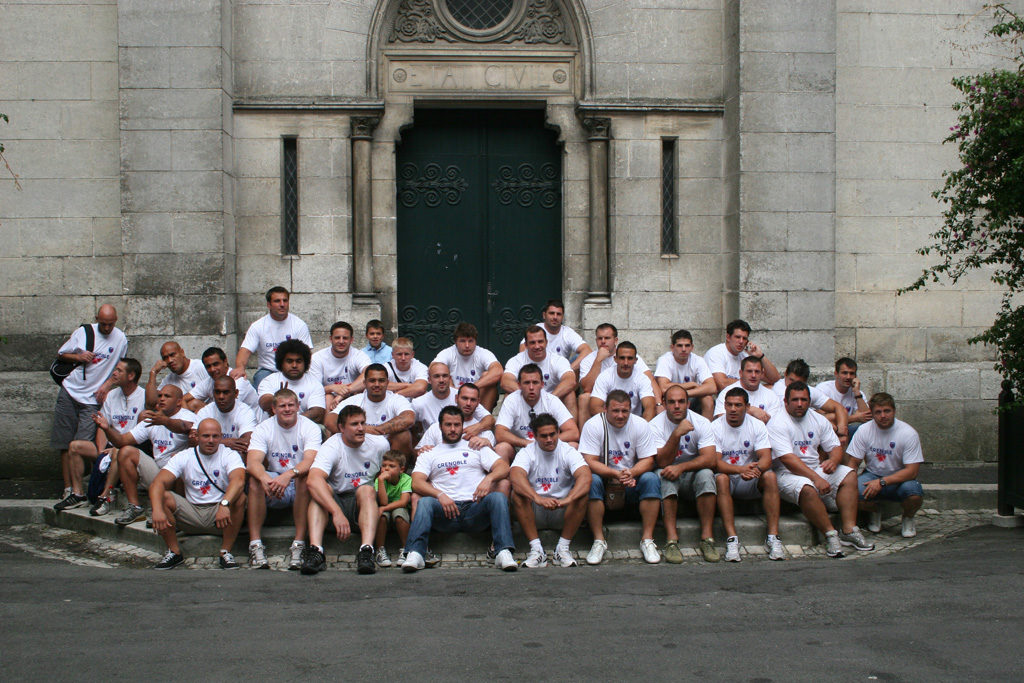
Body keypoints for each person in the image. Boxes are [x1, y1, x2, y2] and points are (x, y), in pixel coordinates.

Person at [401, 407, 517, 573]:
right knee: (425, 502)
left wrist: (488, 479)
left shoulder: (475, 446)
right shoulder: (430, 453)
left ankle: (502, 551)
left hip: (474, 509)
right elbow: (417, 482)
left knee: (498, 497)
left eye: (457, 425)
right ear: (440, 426)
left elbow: (503, 467)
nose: (453, 429)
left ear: (463, 426)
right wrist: (439, 495)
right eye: (448, 425)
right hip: (445, 512)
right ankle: (416, 553)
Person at [767, 382, 874, 558]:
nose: (800, 404)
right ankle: (830, 535)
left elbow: (835, 446)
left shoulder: (818, 419)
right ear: (786, 402)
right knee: (807, 489)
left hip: (815, 468)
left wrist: (834, 459)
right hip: (786, 474)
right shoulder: (777, 422)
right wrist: (816, 478)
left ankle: (849, 530)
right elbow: (788, 459)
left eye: (804, 400)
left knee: (849, 474)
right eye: (795, 400)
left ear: (810, 401)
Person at [51, 304, 127, 503]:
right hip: (70, 391)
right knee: (64, 443)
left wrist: (108, 384)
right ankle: (68, 488)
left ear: (116, 320)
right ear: (97, 319)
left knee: (83, 444)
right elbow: (61, 354)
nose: (107, 328)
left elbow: (120, 367)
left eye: (110, 324)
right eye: (103, 324)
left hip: (93, 399)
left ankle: (88, 484)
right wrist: (78, 356)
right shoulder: (84, 332)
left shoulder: (120, 339)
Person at [148, 418, 247, 570]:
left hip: (220, 515)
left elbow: (239, 480)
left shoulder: (229, 454)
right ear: (197, 437)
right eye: (206, 436)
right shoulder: (185, 455)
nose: (211, 441)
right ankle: (174, 552)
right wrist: (157, 510)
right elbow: (158, 483)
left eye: (215, 436)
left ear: (221, 437)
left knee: (240, 498)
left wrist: (225, 503)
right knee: (163, 496)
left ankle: (225, 551)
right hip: (192, 512)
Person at [302, 405, 389, 575]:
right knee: (320, 490)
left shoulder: (380, 445)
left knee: (367, 490)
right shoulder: (332, 446)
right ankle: (316, 550)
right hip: (336, 503)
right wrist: (336, 513)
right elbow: (312, 480)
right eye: (354, 424)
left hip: (362, 505)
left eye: (363, 423)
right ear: (341, 427)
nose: (361, 428)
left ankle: (366, 550)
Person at [578, 390, 661, 565]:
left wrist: (632, 473)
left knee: (651, 479)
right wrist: (615, 474)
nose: (620, 416)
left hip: (631, 481)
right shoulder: (594, 425)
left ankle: (647, 539)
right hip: (605, 482)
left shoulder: (640, 424)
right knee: (590, 480)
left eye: (625, 411)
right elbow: (588, 461)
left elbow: (648, 459)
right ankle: (599, 540)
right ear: (605, 409)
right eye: (615, 411)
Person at [95, 385, 196, 527]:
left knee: (180, 460)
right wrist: (107, 429)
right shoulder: (152, 419)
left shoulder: (189, 416)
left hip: (179, 476)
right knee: (125, 451)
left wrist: (165, 421)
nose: (161, 399)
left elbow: (187, 427)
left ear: (179, 401)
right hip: (158, 471)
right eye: (160, 395)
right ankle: (135, 508)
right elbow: (121, 441)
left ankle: (175, 513)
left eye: (167, 396)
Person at [246, 388, 321, 570]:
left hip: (295, 480)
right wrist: (264, 477)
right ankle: (255, 544)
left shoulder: (309, 427)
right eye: (282, 406)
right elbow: (252, 462)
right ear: (274, 408)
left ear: (298, 406)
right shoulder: (263, 428)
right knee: (255, 480)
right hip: (273, 480)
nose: (287, 409)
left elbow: (311, 460)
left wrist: (288, 475)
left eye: (290, 405)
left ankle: (299, 544)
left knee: (305, 477)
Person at [58, 358, 144, 514]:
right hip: (108, 446)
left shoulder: (143, 396)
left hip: (127, 447)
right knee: (75, 446)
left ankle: (105, 497)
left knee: (119, 452)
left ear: (131, 376)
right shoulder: (111, 395)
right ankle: (78, 494)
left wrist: (114, 450)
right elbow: (103, 426)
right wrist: (100, 451)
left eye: (119, 370)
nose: (114, 373)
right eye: (115, 369)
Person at [712, 387, 785, 562]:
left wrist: (756, 470)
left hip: (750, 478)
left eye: (738, 405)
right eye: (729, 405)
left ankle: (773, 537)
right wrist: (740, 470)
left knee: (770, 476)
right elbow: (715, 463)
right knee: (721, 478)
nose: (733, 409)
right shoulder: (715, 426)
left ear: (747, 406)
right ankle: (732, 540)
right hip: (728, 478)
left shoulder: (757, 425)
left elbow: (766, 458)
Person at [510, 413, 591, 568]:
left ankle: (562, 549)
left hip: (563, 509)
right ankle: (537, 550)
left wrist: (568, 499)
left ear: (558, 433)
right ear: (535, 436)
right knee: (517, 495)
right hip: (535, 510)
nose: (549, 440)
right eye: (544, 436)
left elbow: (585, 477)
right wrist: (537, 498)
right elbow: (515, 476)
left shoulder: (567, 450)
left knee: (582, 494)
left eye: (552, 434)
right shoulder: (527, 451)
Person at [650, 385, 719, 563]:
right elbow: (662, 461)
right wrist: (676, 435)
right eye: (672, 402)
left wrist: (681, 467)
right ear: (664, 404)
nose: (677, 406)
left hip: (690, 474)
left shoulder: (701, 422)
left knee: (706, 474)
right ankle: (672, 541)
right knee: (664, 474)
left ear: (688, 403)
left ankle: (707, 539)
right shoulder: (655, 425)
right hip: (668, 473)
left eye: (681, 401)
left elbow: (711, 459)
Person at [845, 392, 924, 538]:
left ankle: (907, 517)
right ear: (872, 414)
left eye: (887, 411)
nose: (883, 416)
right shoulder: (864, 430)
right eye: (878, 412)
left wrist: (882, 482)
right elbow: (854, 462)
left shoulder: (908, 433)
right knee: (850, 492)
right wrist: (847, 483)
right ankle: (874, 511)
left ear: (894, 411)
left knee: (914, 493)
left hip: (900, 478)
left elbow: (912, 471)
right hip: (872, 474)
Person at [494, 364, 579, 464]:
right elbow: (499, 433)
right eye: (526, 383)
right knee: (501, 448)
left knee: (573, 446)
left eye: (535, 382)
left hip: (548, 445)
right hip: (520, 446)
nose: (531, 387)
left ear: (542, 384)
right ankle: (506, 479)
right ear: (519, 385)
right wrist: (526, 443)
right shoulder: (512, 400)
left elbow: (574, 432)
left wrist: (543, 441)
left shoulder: (551, 400)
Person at [233, 286, 312, 388]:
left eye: (285, 301)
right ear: (269, 304)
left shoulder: (299, 325)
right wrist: (240, 368)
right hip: (268, 371)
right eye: (277, 301)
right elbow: (245, 351)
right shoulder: (258, 326)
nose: (282, 304)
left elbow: (307, 354)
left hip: (293, 370)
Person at [576, 323, 656, 424]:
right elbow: (587, 389)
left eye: (607, 338)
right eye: (600, 338)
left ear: (615, 340)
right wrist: (598, 360)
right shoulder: (590, 362)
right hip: (605, 413)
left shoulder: (629, 355)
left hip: (633, 419)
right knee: (584, 397)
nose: (603, 341)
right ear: (616, 359)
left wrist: (658, 404)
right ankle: (586, 438)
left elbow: (650, 381)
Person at [327, 364, 415, 455]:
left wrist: (375, 430)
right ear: (365, 383)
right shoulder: (355, 400)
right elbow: (330, 421)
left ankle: (395, 468)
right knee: (337, 434)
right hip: (358, 444)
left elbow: (409, 418)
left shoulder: (396, 399)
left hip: (388, 448)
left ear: (387, 382)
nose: (377, 384)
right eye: (372, 381)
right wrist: (363, 430)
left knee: (404, 436)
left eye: (381, 381)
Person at [502, 325, 577, 419]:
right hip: (526, 398)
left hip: (553, 398)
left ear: (546, 342)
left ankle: (570, 431)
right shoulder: (516, 360)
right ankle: (506, 429)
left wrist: (547, 400)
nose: (537, 346)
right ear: (526, 345)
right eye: (532, 343)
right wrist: (529, 395)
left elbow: (570, 381)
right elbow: (505, 382)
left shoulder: (557, 360)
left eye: (540, 341)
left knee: (570, 395)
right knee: (508, 395)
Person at [771, 358, 849, 444]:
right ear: (785, 374)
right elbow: (794, 416)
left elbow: (838, 407)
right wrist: (830, 425)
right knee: (828, 423)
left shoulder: (808, 390)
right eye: (791, 380)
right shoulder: (780, 391)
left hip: (806, 428)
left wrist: (841, 432)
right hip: (785, 428)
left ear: (805, 382)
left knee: (835, 418)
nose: (795, 386)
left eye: (799, 383)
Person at [432, 322, 503, 411]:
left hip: (476, 397)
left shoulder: (483, 353)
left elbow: (498, 371)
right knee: (441, 373)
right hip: (453, 396)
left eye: (470, 341)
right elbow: (433, 368)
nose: (467, 345)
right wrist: (450, 384)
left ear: (475, 341)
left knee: (488, 377)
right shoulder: (448, 353)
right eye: (462, 341)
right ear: (456, 342)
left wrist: (470, 388)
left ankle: (484, 419)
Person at [257, 339, 326, 424]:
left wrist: (291, 421)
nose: (294, 365)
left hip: (302, 428)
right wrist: (278, 397)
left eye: (298, 361)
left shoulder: (314, 384)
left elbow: (318, 413)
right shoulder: (269, 381)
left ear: (305, 363)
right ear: (281, 363)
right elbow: (264, 403)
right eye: (289, 361)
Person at [704, 319, 780, 392]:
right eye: (737, 337)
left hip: (744, 395)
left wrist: (761, 356)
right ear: (728, 337)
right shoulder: (716, 353)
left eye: (744, 338)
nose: (741, 341)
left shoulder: (745, 356)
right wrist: (751, 384)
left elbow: (775, 380)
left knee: (774, 388)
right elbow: (722, 384)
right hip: (723, 397)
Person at [654, 329, 716, 418]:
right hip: (670, 398)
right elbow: (663, 388)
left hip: (691, 397)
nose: (684, 349)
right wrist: (691, 384)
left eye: (687, 346)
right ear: (672, 347)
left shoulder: (698, 360)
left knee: (708, 399)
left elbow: (712, 387)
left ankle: (706, 430)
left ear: (692, 347)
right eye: (680, 346)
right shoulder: (665, 360)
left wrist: (686, 393)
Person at [309, 321, 371, 411]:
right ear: (331, 339)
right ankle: (329, 423)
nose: (341, 341)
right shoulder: (317, 358)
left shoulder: (358, 355)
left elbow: (369, 374)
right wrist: (332, 388)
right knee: (328, 397)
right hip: (330, 398)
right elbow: (313, 390)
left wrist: (344, 392)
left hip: (353, 394)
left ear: (351, 340)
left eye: (345, 338)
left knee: (362, 391)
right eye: (337, 338)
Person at [416, 383, 496, 452]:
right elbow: (418, 453)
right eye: (464, 398)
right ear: (456, 398)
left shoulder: (485, 432)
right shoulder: (436, 427)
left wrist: (489, 446)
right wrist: (422, 451)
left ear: (478, 402)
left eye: (473, 400)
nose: (468, 403)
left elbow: (492, 461)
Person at [517, 299, 592, 372]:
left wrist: (568, 371)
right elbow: (523, 348)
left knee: (581, 358)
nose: (555, 317)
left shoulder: (567, 333)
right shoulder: (537, 329)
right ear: (544, 315)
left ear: (562, 317)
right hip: (538, 369)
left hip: (560, 371)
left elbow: (587, 350)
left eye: (558, 314)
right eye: (551, 313)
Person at [184, 347, 261, 415]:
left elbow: (225, 408)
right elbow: (183, 399)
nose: (212, 369)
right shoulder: (209, 381)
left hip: (250, 424)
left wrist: (200, 413)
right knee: (192, 404)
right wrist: (189, 418)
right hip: (226, 422)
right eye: (208, 366)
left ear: (225, 362)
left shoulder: (238, 381)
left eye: (216, 364)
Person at [589, 341, 655, 420]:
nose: (626, 363)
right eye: (622, 358)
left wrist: (642, 427)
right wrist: (616, 421)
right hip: (610, 421)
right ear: (615, 359)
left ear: (636, 360)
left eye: (630, 358)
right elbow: (594, 407)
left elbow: (650, 407)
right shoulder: (605, 376)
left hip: (634, 423)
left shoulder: (642, 378)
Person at [194, 376, 257, 457]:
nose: (221, 397)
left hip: (235, 459)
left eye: (226, 392)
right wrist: (226, 442)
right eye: (217, 392)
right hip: (210, 457)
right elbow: (193, 440)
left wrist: (208, 442)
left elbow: (247, 442)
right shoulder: (205, 411)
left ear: (236, 393)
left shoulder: (245, 412)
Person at [373, 451, 413, 568]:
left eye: (391, 466)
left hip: (400, 507)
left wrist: (384, 507)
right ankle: (380, 550)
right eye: (384, 466)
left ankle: (406, 549)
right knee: (382, 516)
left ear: (401, 469)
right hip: (385, 506)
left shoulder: (406, 479)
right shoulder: (379, 480)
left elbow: (403, 501)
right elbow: (383, 501)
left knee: (399, 515)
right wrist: (381, 481)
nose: (386, 469)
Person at [713, 356, 782, 423]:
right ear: (741, 373)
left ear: (762, 374)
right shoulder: (728, 392)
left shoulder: (771, 396)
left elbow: (774, 423)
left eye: (757, 372)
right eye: (749, 371)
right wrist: (750, 410)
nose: (753, 375)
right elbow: (721, 420)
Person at [816, 357, 872, 437]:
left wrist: (857, 393)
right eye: (844, 373)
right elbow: (823, 419)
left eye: (852, 373)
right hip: (827, 430)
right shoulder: (823, 389)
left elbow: (867, 419)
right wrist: (855, 418)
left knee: (863, 429)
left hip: (846, 430)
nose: (848, 377)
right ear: (836, 373)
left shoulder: (857, 393)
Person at [144, 341, 209, 408]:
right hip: (182, 416)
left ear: (182, 352)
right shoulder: (168, 380)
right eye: (165, 358)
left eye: (172, 355)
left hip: (206, 414)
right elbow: (150, 404)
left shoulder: (201, 367)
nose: (170, 360)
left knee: (194, 403)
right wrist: (153, 372)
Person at [410, 362, 458, 436]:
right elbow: (409, 425)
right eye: (437, 376)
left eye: (445, 376)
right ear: (429, 380)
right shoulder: (419, 403)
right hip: (432, 445)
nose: (441, 380)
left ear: (450, 378)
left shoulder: (462, 397)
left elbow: (482, 418)